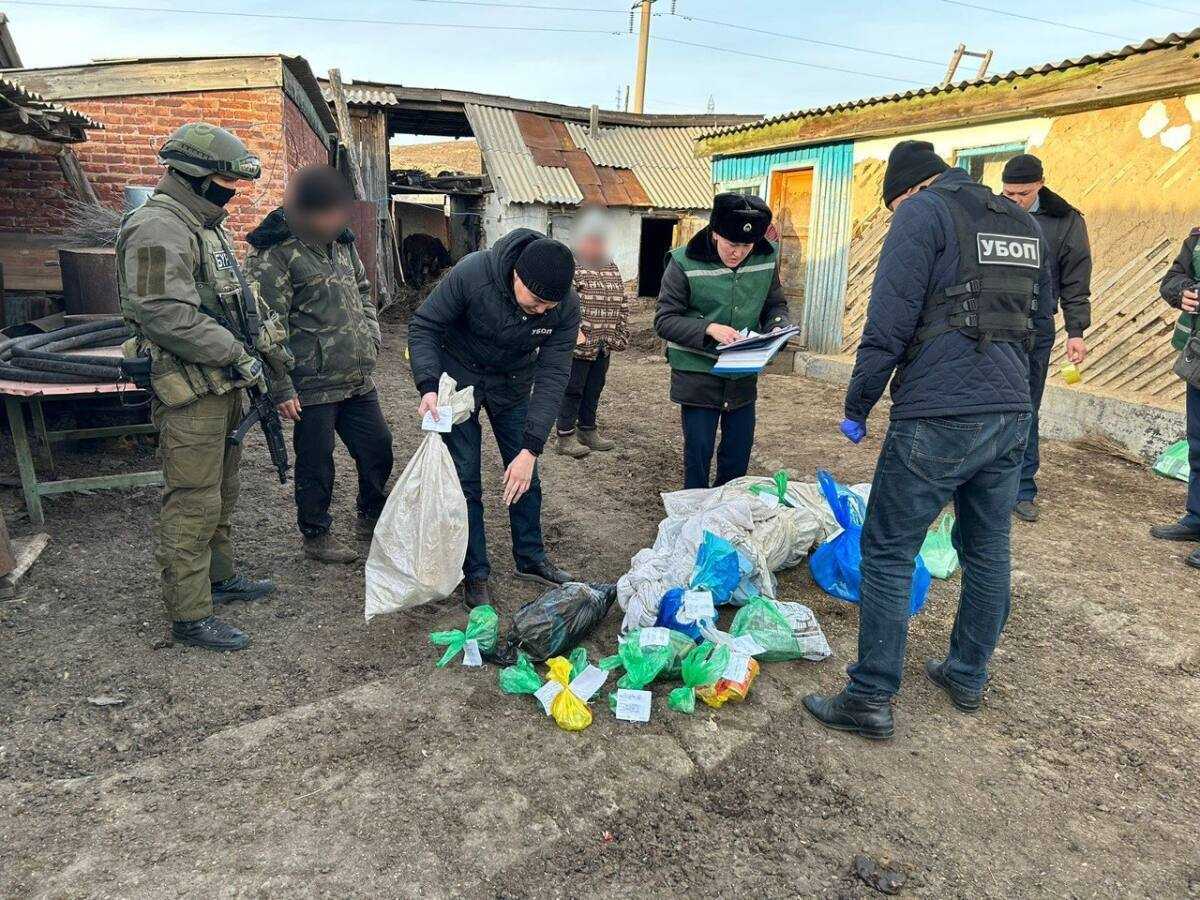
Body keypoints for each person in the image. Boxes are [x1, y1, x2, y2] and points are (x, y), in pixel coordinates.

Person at [803, 140, 1053, 740]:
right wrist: (1023, 405)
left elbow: (889, 319)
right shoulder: (1020, 222)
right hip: (1010, 410)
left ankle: (869, 696)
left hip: (939, 415)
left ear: (909, 190)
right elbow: (1039, 324)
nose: (895, 217)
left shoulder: (922, 213)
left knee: (888, 550)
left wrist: (859, 402)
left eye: (893, 207)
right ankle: (967, 672)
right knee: (987, 548)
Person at [116, 123, 295, 652]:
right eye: (222, 179)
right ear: (194, 175)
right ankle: (190, 615)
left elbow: (234, 299)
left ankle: (219, 578)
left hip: (220, 386)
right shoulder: (156, 227)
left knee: (222, 490)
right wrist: (236, 353)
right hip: (189, 390)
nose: (229, 190)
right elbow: (161, 312)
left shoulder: (203, 225)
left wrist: (263, 353)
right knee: (193, 499)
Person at [407, 228, 580, 608]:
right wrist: (428, 385)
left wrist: (531, 448)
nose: (541, 311)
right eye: (535, 302)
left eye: (548, 307)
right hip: (459, 376)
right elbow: (424, 326)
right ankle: (476, 573)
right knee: (465, 477)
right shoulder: (472, 274)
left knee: (524, 473)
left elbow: (553, 374)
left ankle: (531, 557)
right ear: (517, 275)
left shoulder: (564, 306)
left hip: (513, 382)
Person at [245, 165, 392, 565]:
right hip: (310, 382)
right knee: (316, 460)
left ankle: (371, 513)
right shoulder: (276, 253)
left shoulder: (341, 242)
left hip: (357, 377)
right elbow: (263, 323)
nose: (339, 219)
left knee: (378, 447)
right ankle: (316, 534)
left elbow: (363, 290)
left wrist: (372, 335)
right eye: (330, 213)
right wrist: (280, 385)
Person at [654, 193, 789, 489]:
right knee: (698, 453)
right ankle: (695, 518)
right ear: (715, 232)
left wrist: (778, 328)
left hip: (742, 372)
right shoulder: (683, 262)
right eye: (731, 244)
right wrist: (709, 328)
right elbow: (664, 320)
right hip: (698, 373)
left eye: (745, 246)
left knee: (737, 455)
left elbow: (775, 304)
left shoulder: (767, 257)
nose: (737, 253)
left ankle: (728, 515)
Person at [1000, 153, 1092, 522]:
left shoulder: (1065, 221)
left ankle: (1022, 488)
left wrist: (1076, 331)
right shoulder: (994, 211)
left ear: (1039, 184)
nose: (1014, 200)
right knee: (986, 405)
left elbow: (1075, 280)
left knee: (1026, 407)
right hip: (994, 324)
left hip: (1036, 328)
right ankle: (976, 483)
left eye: (1022, 193)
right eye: (1008, 193)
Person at [555, 206, 630, 458]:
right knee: (572, 388)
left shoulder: (610, 265)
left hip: (603, 343)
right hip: (579, 343)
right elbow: (561, 302)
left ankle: (588, 430)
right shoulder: (569, 264)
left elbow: (622, 300)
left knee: (594, 388)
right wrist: (573, 332)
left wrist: (620, 331)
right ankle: (565, 436)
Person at [1150, 227, 1200, 565]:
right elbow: (1173, 277)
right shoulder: (1197, 239)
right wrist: (1181, 292)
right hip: (1197, 353)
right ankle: (1197, 518)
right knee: (1198, 443)